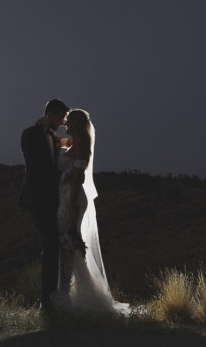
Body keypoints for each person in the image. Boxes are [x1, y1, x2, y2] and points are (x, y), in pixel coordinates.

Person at [49, 108, 129, 316]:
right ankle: (68, 291)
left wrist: (71, 205)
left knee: (67, 244)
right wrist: (45, 127)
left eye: (69, 120)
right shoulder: (74, 141)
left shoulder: (82, 144)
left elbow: (78, 177)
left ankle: (67, 294)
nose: (66, 122)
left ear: (77, 123)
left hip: (72, 200)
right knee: (67, 244)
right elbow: (57, 141)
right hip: (65, 198)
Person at [19, 98, 69, 315]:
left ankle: (51, 300)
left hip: (53, 201)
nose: (62, 122)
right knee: (50, 244)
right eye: (60, 118)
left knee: (53, 247)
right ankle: (46, 303)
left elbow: (68, 144)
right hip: (37, 199)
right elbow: (38, 168)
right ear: (50, 114)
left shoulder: (54, 138)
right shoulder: (29, 135)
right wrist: (65, 176)